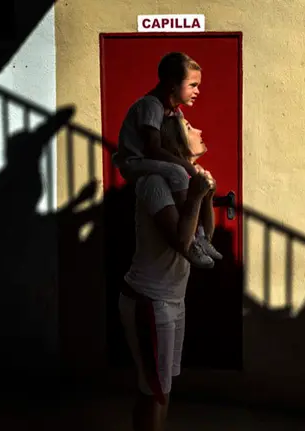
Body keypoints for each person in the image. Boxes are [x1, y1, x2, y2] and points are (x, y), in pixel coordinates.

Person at [118, 118, 215, 431]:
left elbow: (203, 241)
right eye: (189, 127)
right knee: (152, 392)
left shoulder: (184, 182)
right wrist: (198, 197)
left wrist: (208, 198)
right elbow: (182, 243)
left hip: (173, 299)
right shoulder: (155, 184)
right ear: (174, 139)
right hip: (150, 300)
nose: (199, 130)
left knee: (163, 389)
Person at [112, 51, 222, 268]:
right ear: (173, 84)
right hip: (135, 162)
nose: (197, 91)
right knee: (179, 172)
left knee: (187, 174)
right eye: (192, 85)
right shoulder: (151, 105)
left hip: (149, 162)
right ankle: (191, 242)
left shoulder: (174, 112)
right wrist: (185, 166)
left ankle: (199, 236)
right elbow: (153, 149)